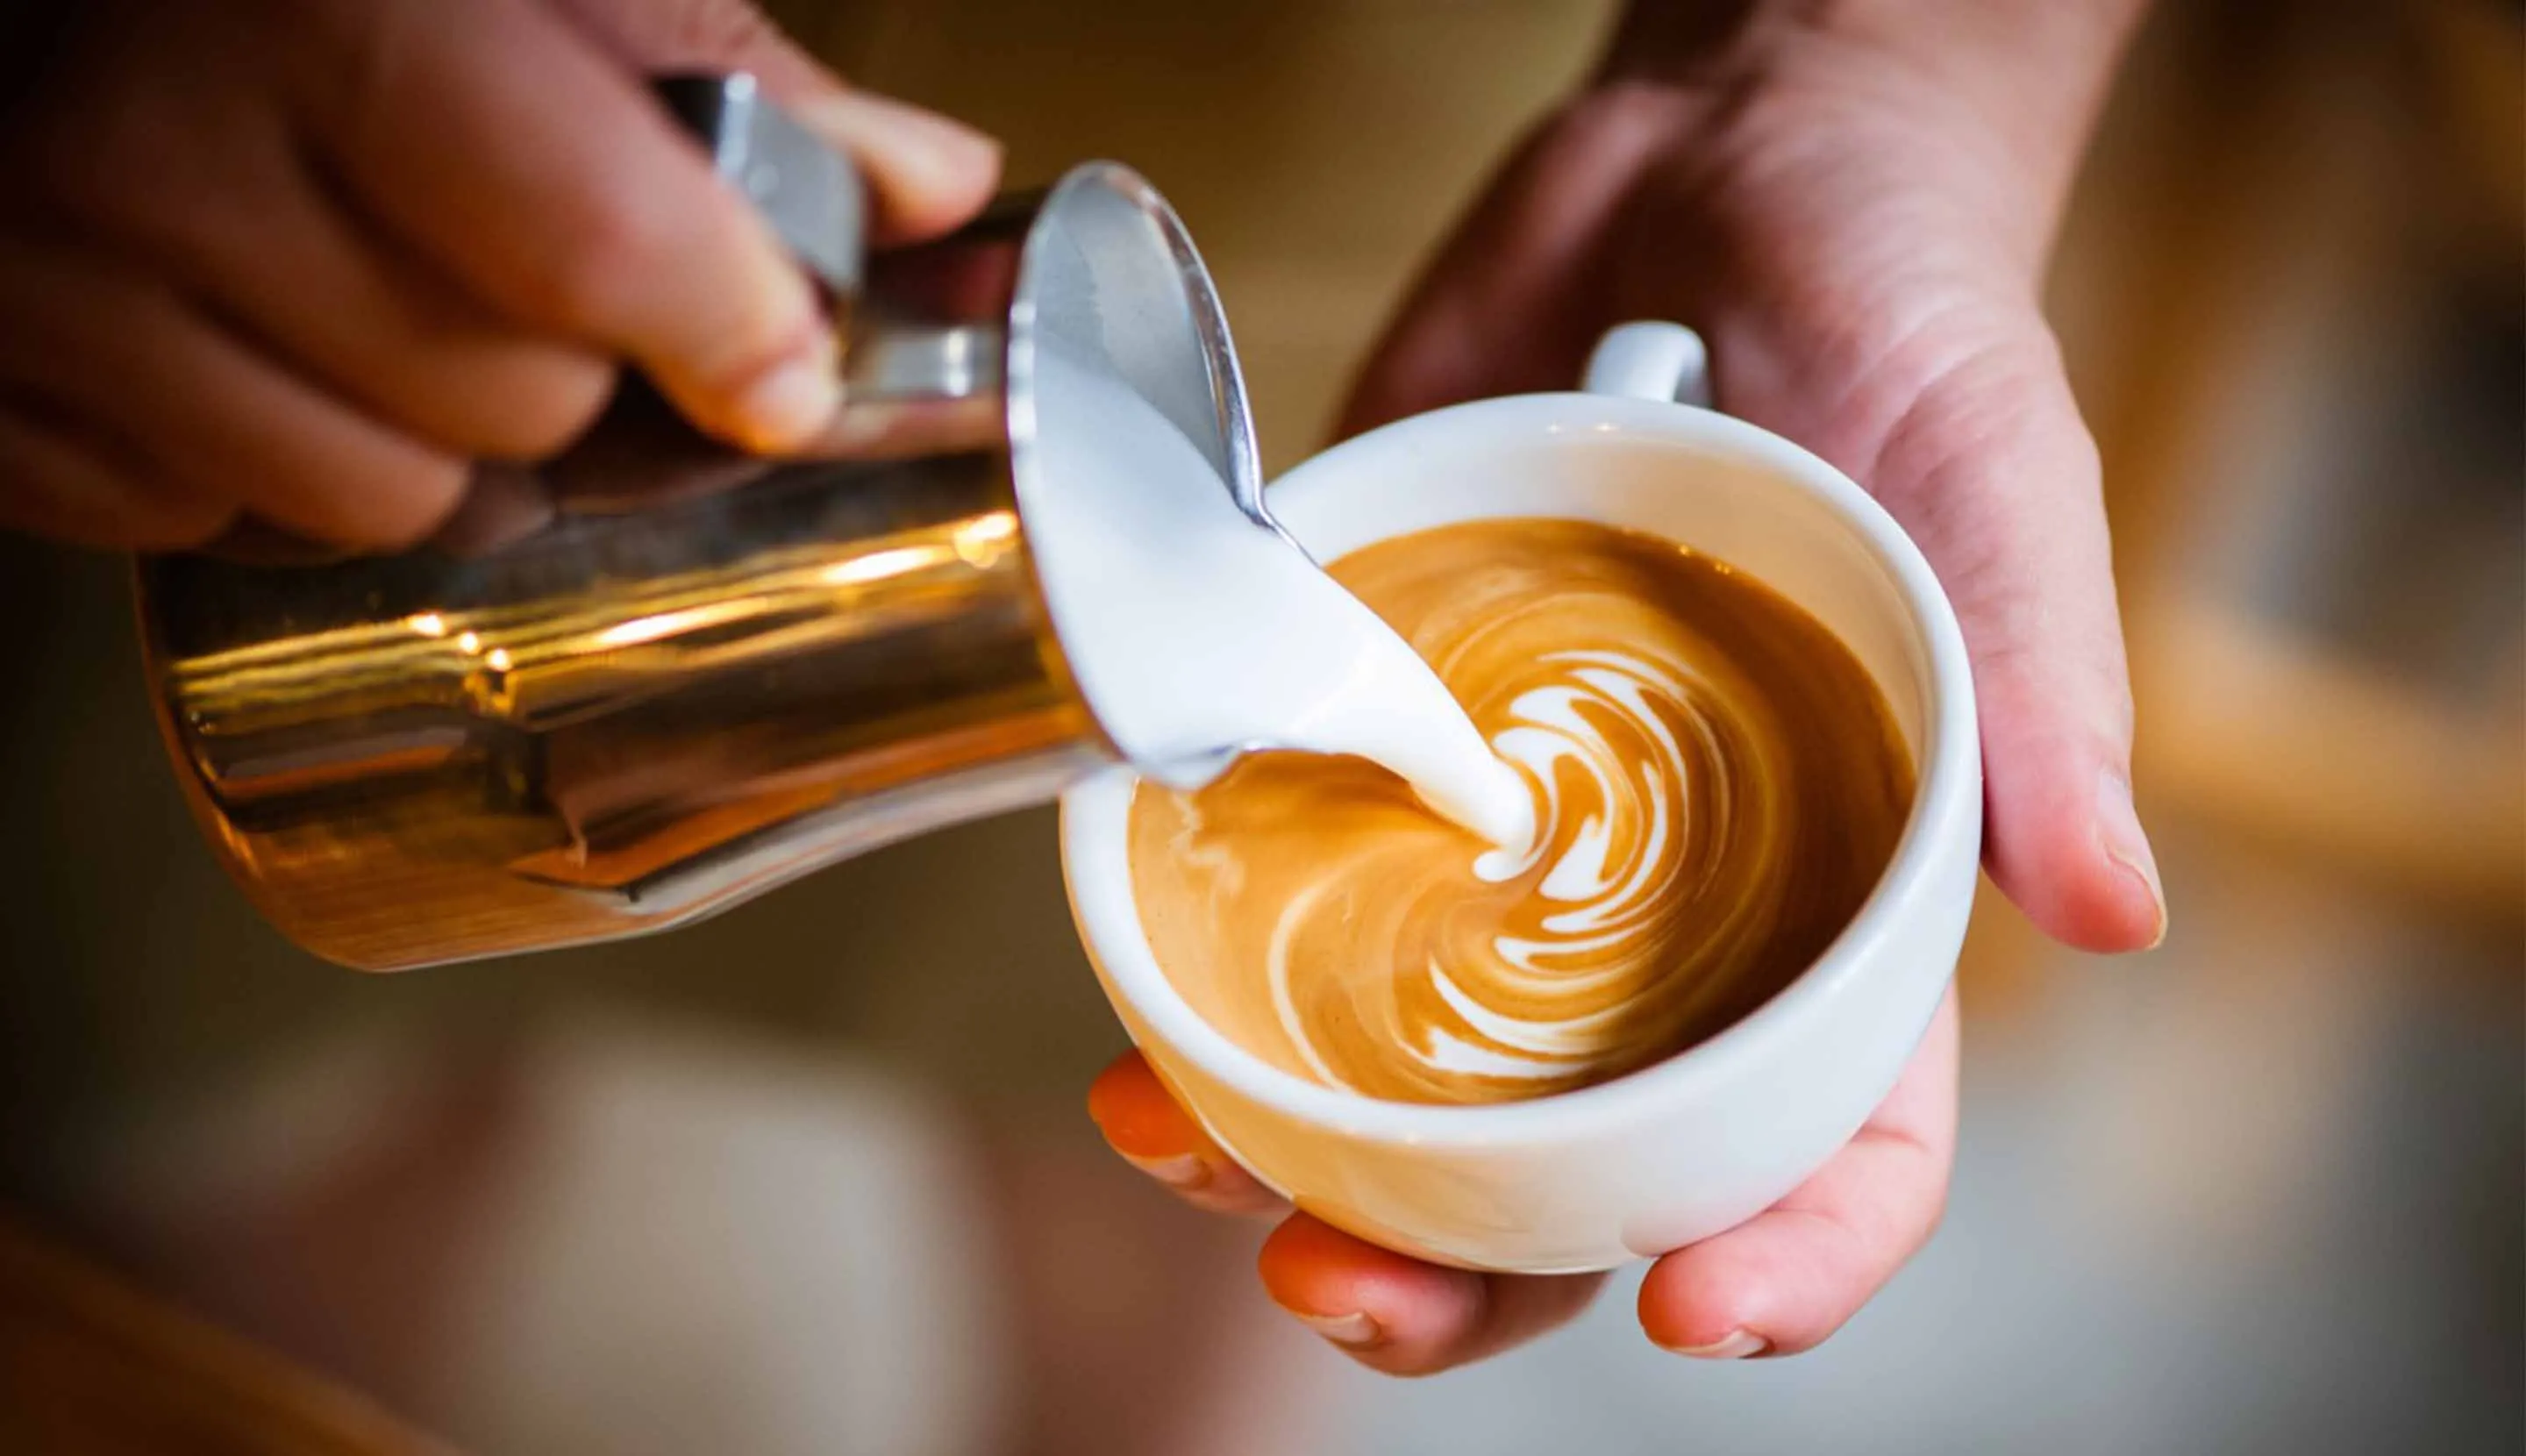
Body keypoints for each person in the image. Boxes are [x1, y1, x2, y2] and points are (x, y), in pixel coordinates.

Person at [0, 0, 2165, 1377]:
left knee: (1123, 1161)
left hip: (1289, 137)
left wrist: (1851, 64)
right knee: (213, 1012)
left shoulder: (1350, 442)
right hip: (269, 160)